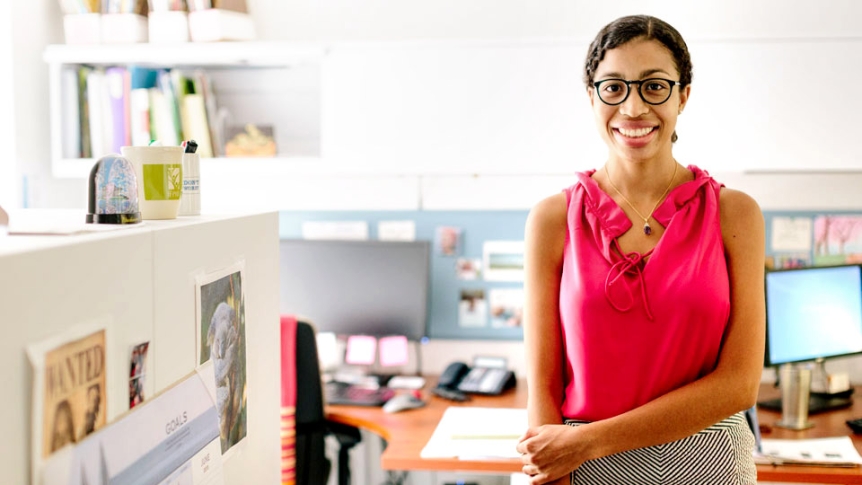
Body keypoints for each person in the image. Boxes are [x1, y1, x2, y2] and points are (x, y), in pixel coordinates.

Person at [516, 15, 765, 485]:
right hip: (580, 468)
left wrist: (589, 441)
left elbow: (739, 382)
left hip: (707, 462)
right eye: (613, 87)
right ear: (592, 96)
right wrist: (553, 468)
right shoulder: (551, 219)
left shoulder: (735, 214)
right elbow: (543, 384)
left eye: (654, 86)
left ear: (682, 96)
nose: (632, 107)